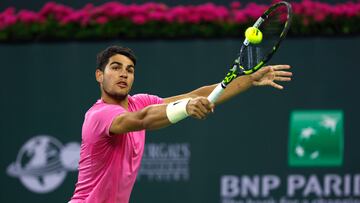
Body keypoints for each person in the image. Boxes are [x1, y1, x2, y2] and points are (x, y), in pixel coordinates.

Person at [69, 45, 292, 203]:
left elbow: (196, 94)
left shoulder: (140, 102)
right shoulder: (98, 115)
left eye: (129, 70)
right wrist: (186, 108)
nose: (123, 74)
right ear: (99, 75)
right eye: (115, 67)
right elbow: (142, 119)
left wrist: (249, 80)